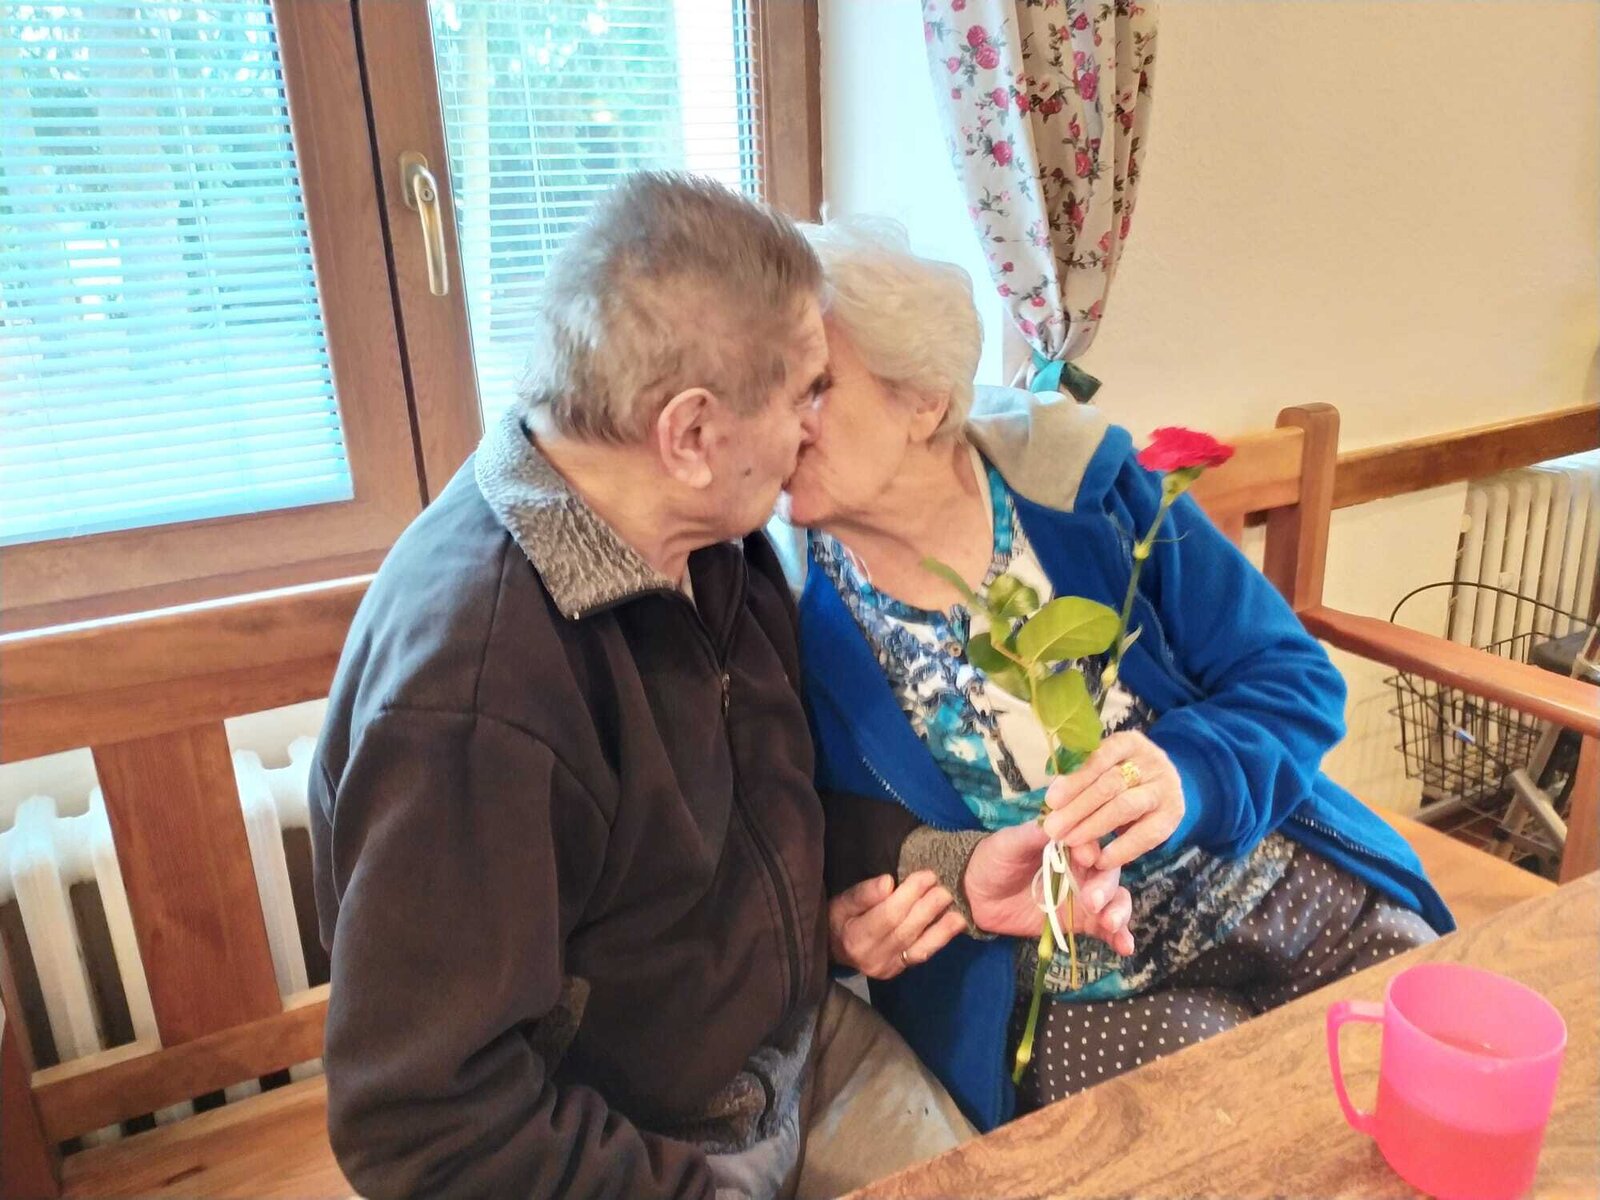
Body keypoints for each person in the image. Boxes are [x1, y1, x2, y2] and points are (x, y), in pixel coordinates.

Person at [309, 176, 1039, 1199]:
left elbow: (766, 815)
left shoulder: (712, 543)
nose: (812, 430)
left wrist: (942, 863)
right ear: (690, 436)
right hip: (634, 1150)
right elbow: (423, 1125)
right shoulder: (475, 692)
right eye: (805, 394)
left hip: (788, 1059)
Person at [779, 218, 1453, 1131]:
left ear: (924, 403)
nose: (779, 418)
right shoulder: (781, 609)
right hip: (1063, 986)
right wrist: (839, 926)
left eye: (816, 386)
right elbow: (804, 839)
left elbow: (1292, 677)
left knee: (1429, 1029)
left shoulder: (1087, 495)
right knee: (1224, 1124)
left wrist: (1191, 773)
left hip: (1255, 874)